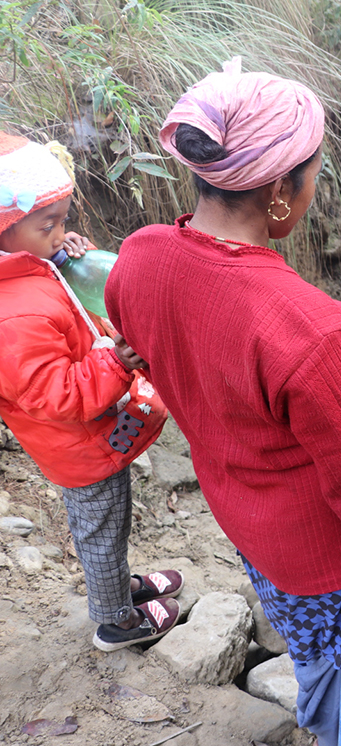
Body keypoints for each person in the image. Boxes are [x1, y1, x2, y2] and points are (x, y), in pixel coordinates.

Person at [104, 59, 341, 746]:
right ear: (282, 191)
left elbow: (133, 340)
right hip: (322, 559)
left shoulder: (139, 256)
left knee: (306, 639)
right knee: (333, 667)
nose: (316, 187)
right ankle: (330, 730)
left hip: (245, 520)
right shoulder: (309, 328)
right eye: (314, 173)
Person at [0, 133, 182, 651]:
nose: (61, 233)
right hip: (80, 449)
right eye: (47, 226)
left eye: (62, 220)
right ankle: (115, 621)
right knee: (101, 529)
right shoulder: (9, 316)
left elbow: (76, 310)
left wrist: (67, 258)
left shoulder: (29, 266)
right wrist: (114, 359)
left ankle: (117, 588)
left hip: (96, 437)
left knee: (110, 521)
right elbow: (55, 395)